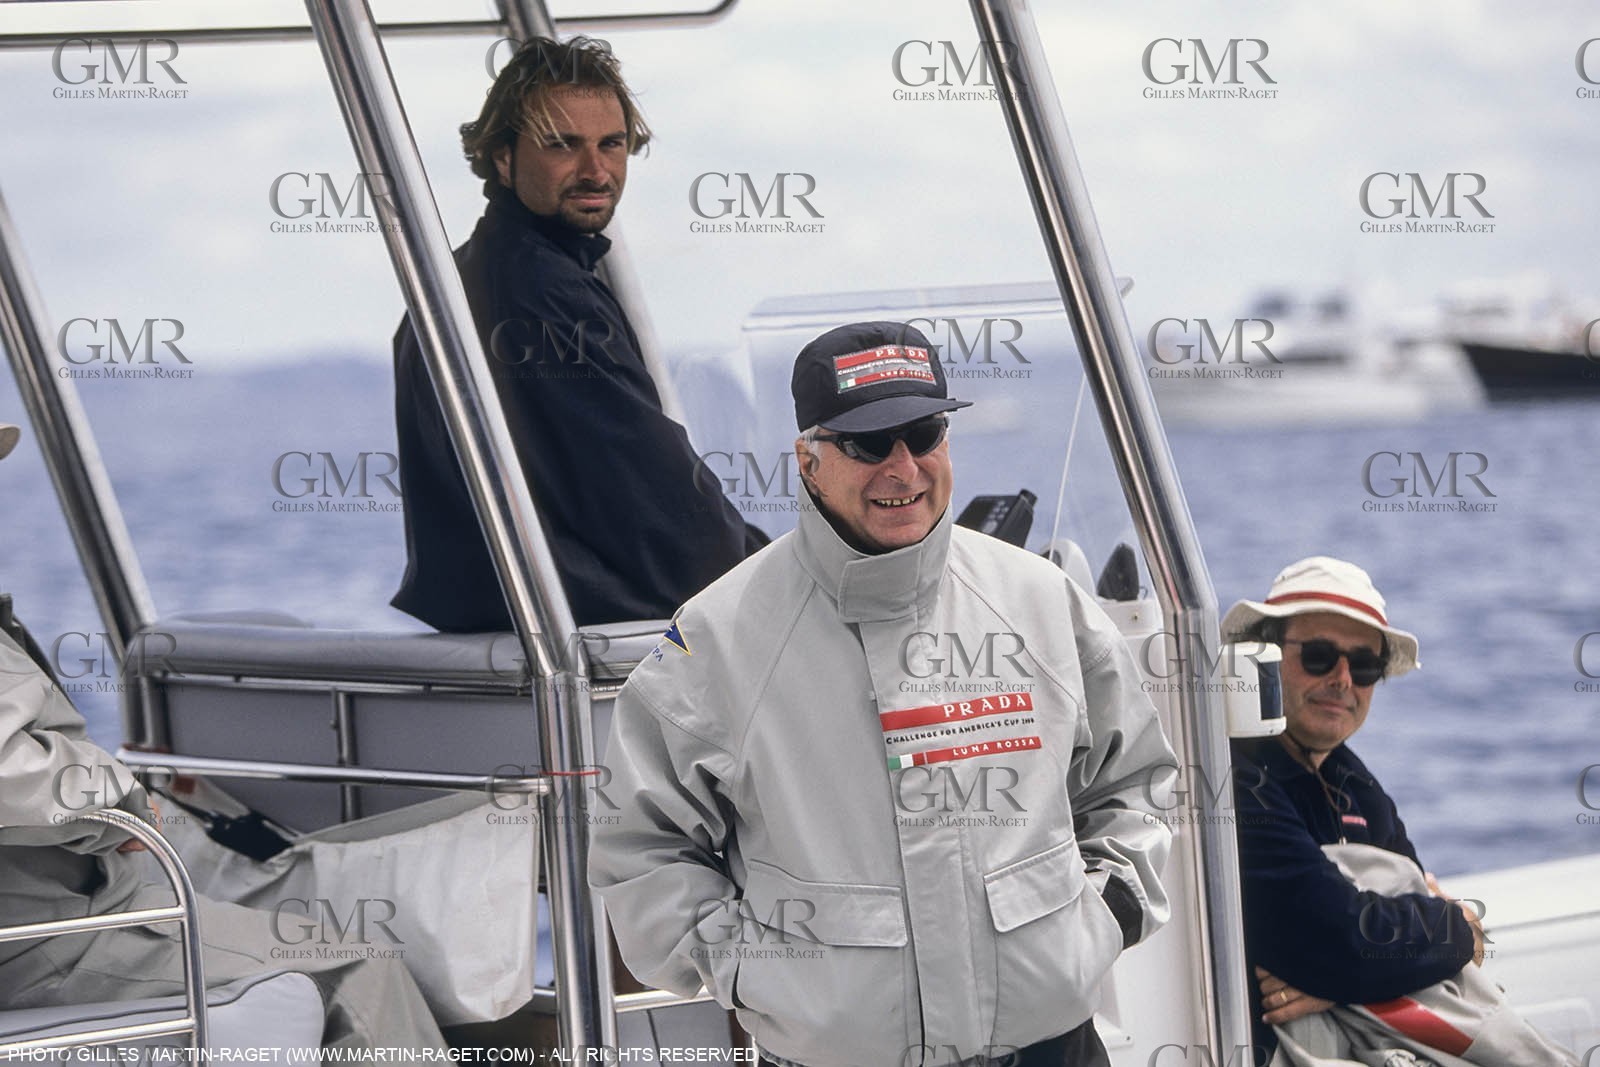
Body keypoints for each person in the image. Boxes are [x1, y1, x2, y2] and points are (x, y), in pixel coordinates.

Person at [590, 321, 1178, 1067]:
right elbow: (640, 847)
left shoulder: (1040, 600)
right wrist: (749, 971)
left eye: (924, 431)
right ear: (807, 460)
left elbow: (1139, 782)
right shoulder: (718, 639)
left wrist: (1110, 910)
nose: (903, 467)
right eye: (869, 443)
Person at [0, 426, 446, 1049]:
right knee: (361, 972)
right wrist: (128, 803)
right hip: (46, 938)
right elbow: (13, 776)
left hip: (61, 908)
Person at [391, 35, 765, 633]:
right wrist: (785, 581)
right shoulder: (543, 292)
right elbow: (661, 511)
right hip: (584, 643)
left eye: (611, 144)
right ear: (502, 158)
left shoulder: (457, 281)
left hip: (504, 636)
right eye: (562, 145)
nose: (596, 170)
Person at [1223, 557, 1484, 1060]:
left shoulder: (1357, 785)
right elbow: (1342, 940)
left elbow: (1356, 950)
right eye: (1320, 656)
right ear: (1264, 658)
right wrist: (1451, 929)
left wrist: (1340, 983)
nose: (1344, 679)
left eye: (1364, 665)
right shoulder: (1234, 776)